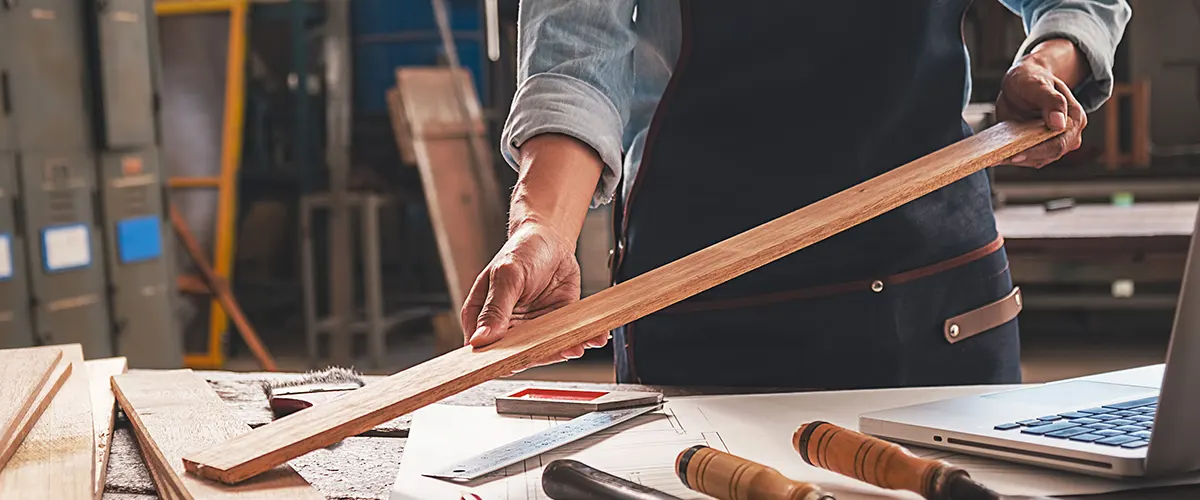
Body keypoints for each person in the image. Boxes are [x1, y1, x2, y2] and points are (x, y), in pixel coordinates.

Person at [461, 1, 1131, 389]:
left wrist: (1046, 65)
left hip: (939, 304)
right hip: (706, 307)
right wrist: (541, 227)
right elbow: (578, 63)